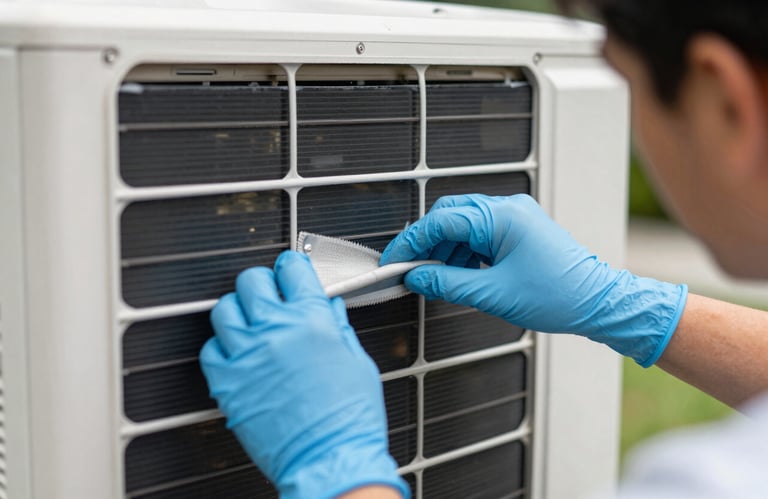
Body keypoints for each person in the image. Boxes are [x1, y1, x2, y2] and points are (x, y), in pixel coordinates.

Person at [199, 0, 768, 497]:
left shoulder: (714, 482)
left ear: (724, 100)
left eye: (629, 84)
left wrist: (335, 472)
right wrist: (622, 303)